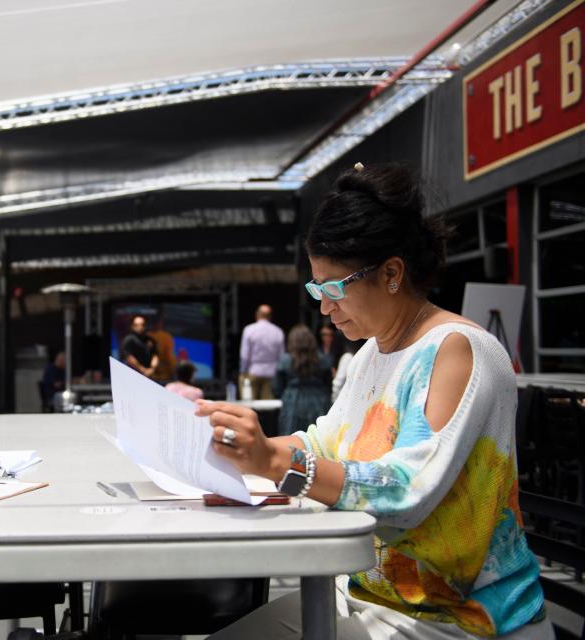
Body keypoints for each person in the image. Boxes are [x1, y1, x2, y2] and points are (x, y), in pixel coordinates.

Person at [198, 164, 549, 639]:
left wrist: (274, 459)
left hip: (457, 619)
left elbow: (408, 491)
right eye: (316, 289)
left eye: (334, 288)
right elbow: (323, 441)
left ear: (391, 273)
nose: (324, 306)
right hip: (370, 596)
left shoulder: (457, 349)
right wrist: (235, 452)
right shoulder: (372, 352)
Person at [273, 324, 332, 437]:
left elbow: (277, 387)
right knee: (320, 440)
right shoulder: (323, 359)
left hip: (292, 403)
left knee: (292, 442)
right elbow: (328, 384)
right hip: (320, 402)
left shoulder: (285, 360)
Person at [239, 304, 285, 400]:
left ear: (257, 315)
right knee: (269, 406)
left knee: (249, 404)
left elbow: (244, 355)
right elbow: (281, 356)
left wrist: (243, 372)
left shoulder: (249, 330)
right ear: (270, 316)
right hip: (271, 373)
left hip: (253, 371)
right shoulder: (278, 331)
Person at [120, 315, 159, 379]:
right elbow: (128, 357)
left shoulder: (150, 339)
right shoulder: (129, 339)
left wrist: (152, 369)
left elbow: (155, 355)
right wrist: (143, 370)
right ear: (132, 326)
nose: (140, 327)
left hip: (149, 375)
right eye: (136, 325)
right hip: (133, 375)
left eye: (142, 324)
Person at [331, 334, 362, 404]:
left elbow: (337, 384)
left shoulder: (347, 357)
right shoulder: (352, 357)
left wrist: (334, 400)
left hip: (346, 400)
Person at [148, 317, 177, 382]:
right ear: (160, 324)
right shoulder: (166, 337)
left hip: (148, 375)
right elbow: (169, 357)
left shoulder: (144, 336)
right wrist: (174, 372)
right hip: (164, 376)